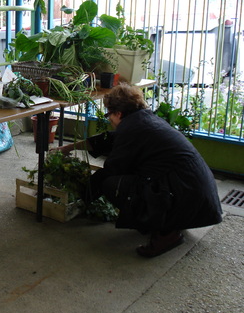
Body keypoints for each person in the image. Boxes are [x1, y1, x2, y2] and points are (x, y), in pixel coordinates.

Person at [56, 83, 222, 257]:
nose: (109, 120)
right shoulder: (144, 120)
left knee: (113, 184)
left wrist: (83, 194)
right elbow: (107, 140)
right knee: (128, 178)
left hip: (186, 196)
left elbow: (112, 169)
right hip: (197, 198)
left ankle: (166, 234)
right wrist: (69, 148)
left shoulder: (131, 129)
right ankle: (168, 221)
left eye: (108, 115)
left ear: (118, 113)